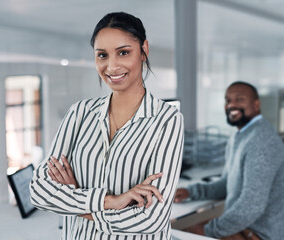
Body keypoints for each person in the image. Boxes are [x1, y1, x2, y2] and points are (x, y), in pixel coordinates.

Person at [30, 12, 184, 240]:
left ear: (144, 50)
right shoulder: (80, 113)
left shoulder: (167, 119)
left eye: (123, 52)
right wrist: (111, 201)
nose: (111, 66)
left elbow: (152, 218)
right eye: (102, 55)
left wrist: (76, 199)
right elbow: (39, 191)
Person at [175, 81, 284, 240]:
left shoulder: (261, 142)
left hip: (262, 234)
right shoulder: (241, 135)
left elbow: (250, 208)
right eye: (228, 100)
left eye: (240, 99)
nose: (232, 105)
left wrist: (208, 231)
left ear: (256, 104)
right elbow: (227, 183)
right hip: (247, 226)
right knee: (184, 231)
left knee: (182, 234)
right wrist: (191, 192)